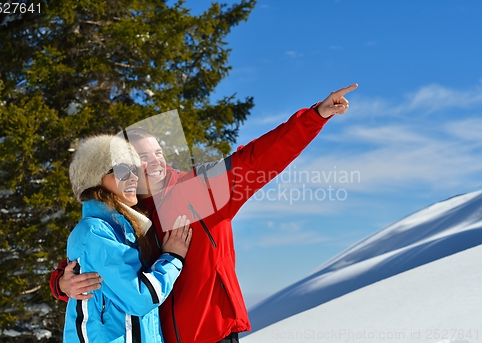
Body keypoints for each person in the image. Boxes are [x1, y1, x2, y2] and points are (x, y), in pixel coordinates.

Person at [51, 84, 358, 343]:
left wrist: (316, 116)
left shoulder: (198, 188)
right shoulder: (123, 213)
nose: (156, 161)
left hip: (213, 334)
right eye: (142, 157)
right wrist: (61, 284)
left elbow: (258, 160)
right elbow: (93, 260)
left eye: (158, 152)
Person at [63, 134, 192, 342]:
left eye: (134, 170)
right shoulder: (94, 231)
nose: (133, 178)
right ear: (94, 179)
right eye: (123, 170)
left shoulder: (122, 231)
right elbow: (141, 297)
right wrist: (173, 258)